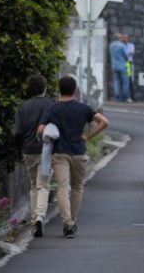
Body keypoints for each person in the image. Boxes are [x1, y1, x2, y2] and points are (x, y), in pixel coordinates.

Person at [39, 76, 109, 238]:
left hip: (60, 153)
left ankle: (67, 223)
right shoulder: (83, 108)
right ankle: (72, 221)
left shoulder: (54, 108)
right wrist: (88, 137)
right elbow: (104, 122)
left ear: (59, 89)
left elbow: (41, 129)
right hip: (78, 151)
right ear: (75, 90)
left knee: (63, 188)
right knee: (77, 187)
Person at [13, 75, 54, 238]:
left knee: (33, 185)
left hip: (28, 150)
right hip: (46, 149)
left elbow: (18, 132)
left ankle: (33, 218)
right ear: (44, 88)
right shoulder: (51, 105)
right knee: (43, 184)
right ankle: (39, 216)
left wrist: (18, 151)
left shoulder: (23, 107)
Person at [110, 32, 130, 102]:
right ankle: (126, 98)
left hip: (114, 66)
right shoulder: (122, 45)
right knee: (125, 82)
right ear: (119, 38)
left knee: (116, 82)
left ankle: (117, 98)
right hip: (122, 65)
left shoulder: (111, 45)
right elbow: (126, 56)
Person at [122, 33, 136, 101]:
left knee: (130, 80)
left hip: (129, 63)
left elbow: (132, 52)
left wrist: (125, 52)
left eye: (126, 37)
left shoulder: (131, 45)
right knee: (123, 80)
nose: (125, 39)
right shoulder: (120, 45)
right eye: (123, 38)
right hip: (123, 63)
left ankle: (132, 97)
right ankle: (124, 97)